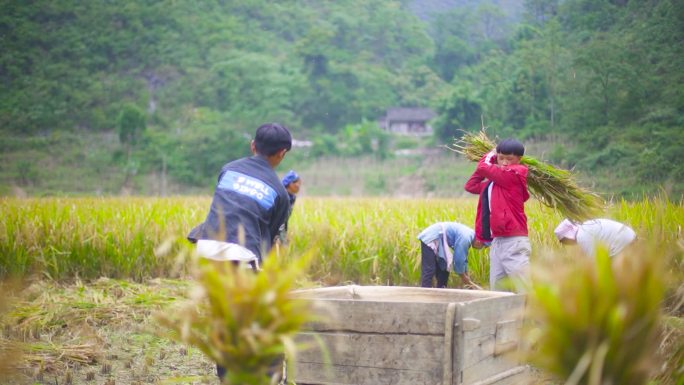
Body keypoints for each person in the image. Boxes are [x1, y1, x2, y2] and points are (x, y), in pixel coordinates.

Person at [186, 122, 292, 381]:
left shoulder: (228, 170)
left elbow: (227, 208)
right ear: (282, 154)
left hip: (208, 251)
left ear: (253, 146)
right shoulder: (279, 192)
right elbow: (267, 241)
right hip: (241, 257)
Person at [464, 138, 530, 291]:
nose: (505, 162)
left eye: (509, 158)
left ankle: (534, 315)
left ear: (519, 160)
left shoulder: (514, 174)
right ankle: (504, 316)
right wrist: (490, 163)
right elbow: (471, 186)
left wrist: (492, 155)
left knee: (524, 286)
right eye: (501, 158)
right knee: (498, 289)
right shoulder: (491, 184)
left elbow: (483, 166)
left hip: (514, 241)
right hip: (497, 240)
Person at [417, 221, 485, 289]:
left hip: (440, 241)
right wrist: (467, 281)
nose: (481, 248)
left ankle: (441, 294)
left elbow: (464, 260)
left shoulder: (469, 236)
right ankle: (425, 294)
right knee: (429, 270)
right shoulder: (466, 237)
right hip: (432, 237)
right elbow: (458, 261)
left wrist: (469, 281)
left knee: (444, 269)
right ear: (479, 242)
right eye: (483, 246)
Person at [554, 218, 636, 258]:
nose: (568, 244)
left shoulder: (581, 237)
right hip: (630, 235)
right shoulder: (586, 226)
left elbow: (595, 262)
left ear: (567, 237)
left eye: (564, 241)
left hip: (623, 241)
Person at [278, 170, 301, 244]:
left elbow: (285, 219)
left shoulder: (292, 197)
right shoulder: (282, 196)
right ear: (290, 184)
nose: (299, 186)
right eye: (298, 183)